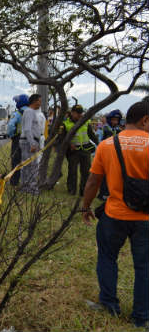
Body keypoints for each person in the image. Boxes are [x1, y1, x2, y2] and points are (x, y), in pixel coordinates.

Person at [81, 101, 149, 327]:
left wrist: (85, 206)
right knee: (144, 266)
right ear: (145, 120)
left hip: (114, 215)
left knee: (107, 257)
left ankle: (109, 305)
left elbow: (93, 181)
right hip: (146, 219)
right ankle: (141, 317)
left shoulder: (107, 145)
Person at [61, 104, 99, 196]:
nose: (79, 115)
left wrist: (99, 144)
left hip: (85, 150)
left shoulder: (86, 122)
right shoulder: (66, 124)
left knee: (86, 172)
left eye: (80, 113)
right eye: (77, 113)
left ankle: (83, 191)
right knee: (72, 171)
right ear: (72, 113)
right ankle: (71, 190)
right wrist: (69, 144)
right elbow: (62, 138)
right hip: (73, 151)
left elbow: (92, 135)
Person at [19, 94, 45, 194]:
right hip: (28, 141)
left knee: (27, 165)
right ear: (34, 101)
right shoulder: (29, 112)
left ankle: (25, 187)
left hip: (29, 141)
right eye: (39, 101)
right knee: (32, 166)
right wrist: (32, 143)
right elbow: (27, 129)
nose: (40, 103)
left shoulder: (30, 112)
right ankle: (31, 188)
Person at [97, 109, 124, 200]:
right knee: (104, 175)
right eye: (113, 120)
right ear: (109, 119)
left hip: (116, 156)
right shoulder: (104, 129)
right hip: (105, 155)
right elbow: (99, 142)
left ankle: (110, 193)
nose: (115, 122)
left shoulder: (119, 130)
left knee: (114, 175)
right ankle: (103, 193)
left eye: (116, 120)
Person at [7, 94, 29, 186]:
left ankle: (14, 182)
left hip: (18, 139)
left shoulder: (17, 113)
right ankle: (26, 182)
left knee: (16, 161)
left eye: (17, 101)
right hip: (30, 139)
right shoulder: (32, 112)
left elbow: (11, 125)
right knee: (27, 161)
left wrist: (11, 135)